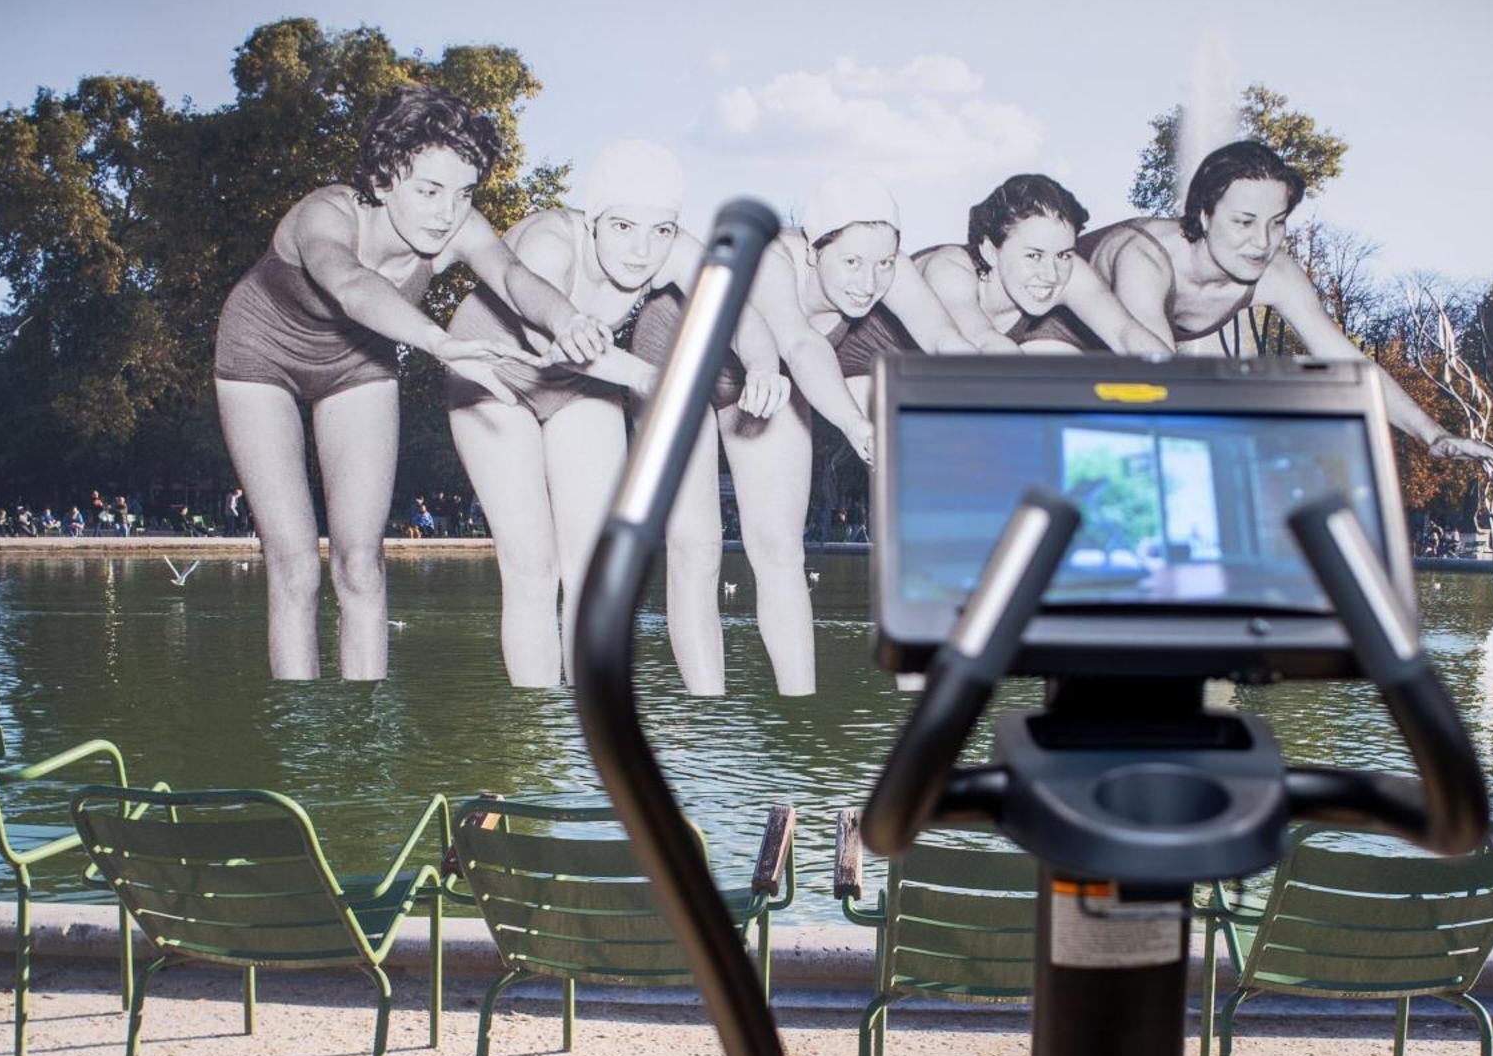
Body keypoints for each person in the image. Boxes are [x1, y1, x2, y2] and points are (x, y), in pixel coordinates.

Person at [214, 85, 612, 681]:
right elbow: (349, 286)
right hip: (260, 354)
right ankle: (301, 745)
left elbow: (514, 276)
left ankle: (363, 738)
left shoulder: (458, 228)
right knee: (295, 562)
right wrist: (440, 342)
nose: (447, 213)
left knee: (360, 563)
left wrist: (568, 319)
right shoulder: (326, 215)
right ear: (382, 179)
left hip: (359, 360)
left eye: (464, 193)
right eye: (428, 191)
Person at [445, 140, 791, 691]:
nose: (642, 251)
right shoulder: (551, 243)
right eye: (624, 228)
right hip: (495, 382)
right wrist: (652, 378)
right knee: (534, 568)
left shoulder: (673, 250)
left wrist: (763, 364)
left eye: (661, 231)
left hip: (582, 385)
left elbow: (739, 312)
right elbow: (547, 338)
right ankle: (538, 725)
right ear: (593, 222)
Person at [628, 170, 974, 695]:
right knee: (695, 545)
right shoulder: (775, 257)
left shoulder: (888, 269)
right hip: (677, 354)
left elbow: (945, 336)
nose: (869, 281)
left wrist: (1008, 397)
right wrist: (857, 425)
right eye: (851, 262)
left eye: (883, 263)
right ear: (814, 251)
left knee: (780, 548)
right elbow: (799, 343)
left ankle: (800, 701)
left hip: (768, 376)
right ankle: (707, 706)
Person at [1080, 141, 1493, 475]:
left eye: (1277, 223)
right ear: (1205, 215)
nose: (1262, 243)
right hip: (1042, 337)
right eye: (1244, 222)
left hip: (1108, 369)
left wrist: (1432, 434)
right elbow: (1161, 380)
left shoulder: (1276, 273)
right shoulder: (1145, 259)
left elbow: (1348, 362)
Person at [914, 174, 1170, 356]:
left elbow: (1126, 333)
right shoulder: (950, 271)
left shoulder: (1068, 271)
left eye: (1064, 255)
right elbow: (982, 339)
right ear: (991, 250)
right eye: (1034, 256)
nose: (1051, 275)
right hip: (879, 373)